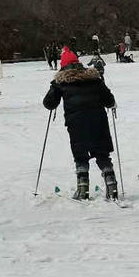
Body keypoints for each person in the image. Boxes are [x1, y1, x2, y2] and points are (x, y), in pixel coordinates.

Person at [42, 56, 118, 200]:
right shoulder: (94, 79)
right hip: (98, 121)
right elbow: (109, 100)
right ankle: (111, 185)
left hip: (76, 123)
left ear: (63, 66)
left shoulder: (61, 82)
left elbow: (48, 103)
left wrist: (55, 90)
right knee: (102, 153)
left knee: (80, 155)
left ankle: (83, 190)